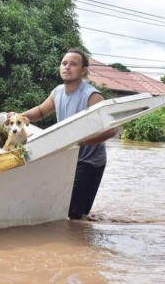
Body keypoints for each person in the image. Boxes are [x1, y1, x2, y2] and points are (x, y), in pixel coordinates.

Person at [14, 48, 117, 220]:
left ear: (83, 70)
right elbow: (41, 111)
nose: (67, 67)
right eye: (64, 63)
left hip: (89, 161)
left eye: (73, 64)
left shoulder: (91, 96)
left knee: (74, 215)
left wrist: (82, 140)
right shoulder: (58, 91)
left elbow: (111, 130)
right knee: (65, 210)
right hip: (68, 157)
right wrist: (20, 116)